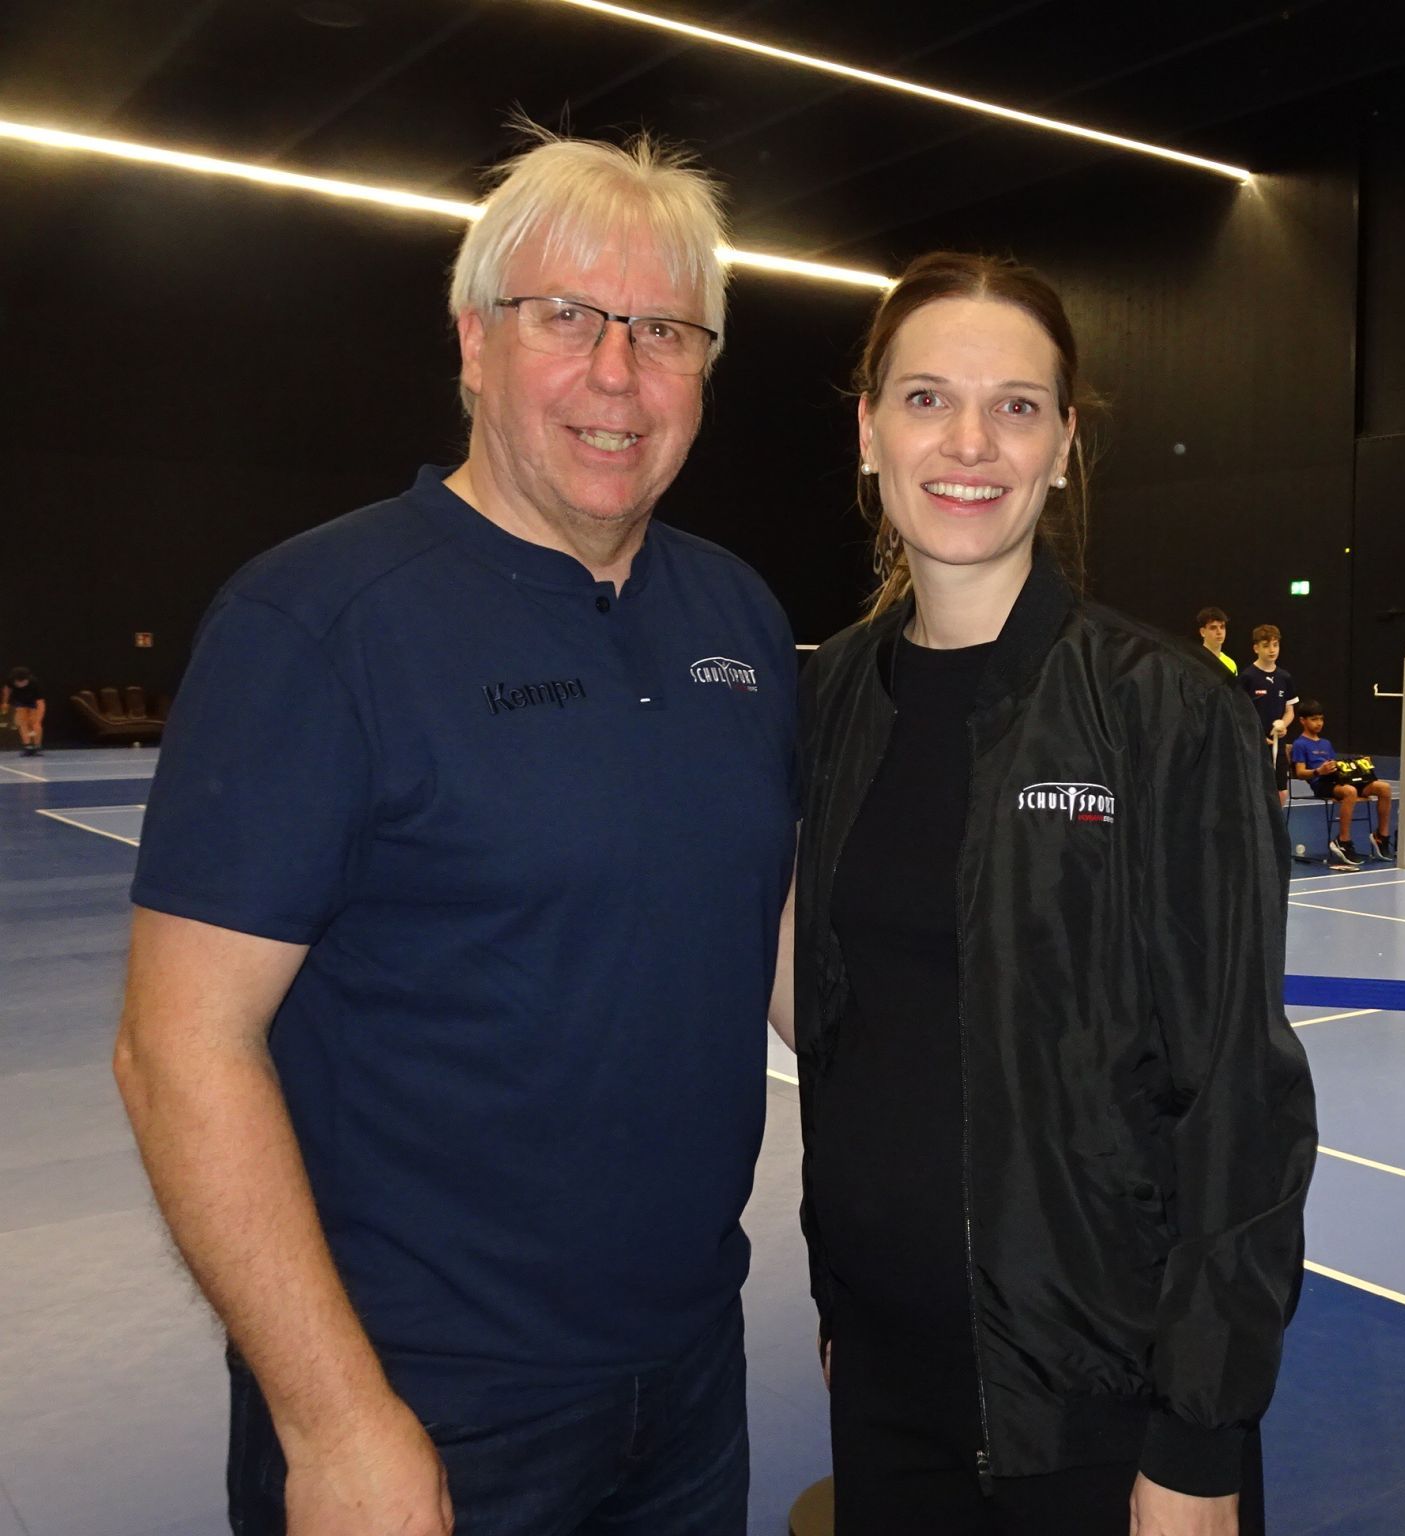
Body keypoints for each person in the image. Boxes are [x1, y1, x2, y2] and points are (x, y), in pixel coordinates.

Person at [112, 129, 798, 1536]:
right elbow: (179, 1047)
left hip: (690, 1378)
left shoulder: (738, 615)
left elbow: (773, 945)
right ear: (474, 343)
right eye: (567, 317)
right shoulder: (317, 622)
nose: (618, 372)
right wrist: (334, 1418)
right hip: (423, 1398)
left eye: (665, 331)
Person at [793, 252, 1316, 1536]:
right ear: (867, 431)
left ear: (1064, 447)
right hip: (884, 1381)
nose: (969, 442)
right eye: (926, 398)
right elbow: (848, 1026)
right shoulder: (833, 697)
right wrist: (844, 1295)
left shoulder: (1163, 712)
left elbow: (1239, 1100)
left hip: (1098, 1411)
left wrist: (1197, 1441)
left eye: (1015, 406)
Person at [1288, 701, 1393, 868]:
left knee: (1384, 788)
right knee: (1350, 792)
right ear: (1302, 720)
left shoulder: (1326, 743)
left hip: (1339, 780)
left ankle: (1381, 837)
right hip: (1321, 784)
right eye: (1314, 719)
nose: (1319, 723)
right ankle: (1343, 841)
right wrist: (1319, 771)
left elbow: (1336, 766)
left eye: (1321, 719)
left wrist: (1357, 765)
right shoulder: (1300, 744)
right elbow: (1300, 773)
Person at [1240, 625, 1298, 807]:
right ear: (1256, 648)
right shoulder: (1247, 677)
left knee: (1281, 791)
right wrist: (1257, 735)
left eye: (1275, 645)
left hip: (1278, 744)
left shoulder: (1284, 677)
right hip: (1254, 745)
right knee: (1255, 790)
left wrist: (1283, 725)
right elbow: (1240, 714)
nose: (1272, 650)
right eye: (1266, 646)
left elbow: (1289, 711)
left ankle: (1276, 825)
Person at [3, 667, 44, 756]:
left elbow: (40, 702)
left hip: (34, 702)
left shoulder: (34, 683)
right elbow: (7, 690)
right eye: (18, 682)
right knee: (22, 723)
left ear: (27, 679)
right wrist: (5, 702)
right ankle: (27, 746)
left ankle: (37, 746)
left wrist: (38, 718)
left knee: (35, 723)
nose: (20, 684)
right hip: (20, 701)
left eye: (23, 682)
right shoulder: (10, 681)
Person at [1196, 605, 1237, 674]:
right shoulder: (1193, 661)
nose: (1219, 632)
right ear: (1202, 632)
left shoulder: (1230, 664)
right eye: (1213, 628)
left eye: (1222, 627)